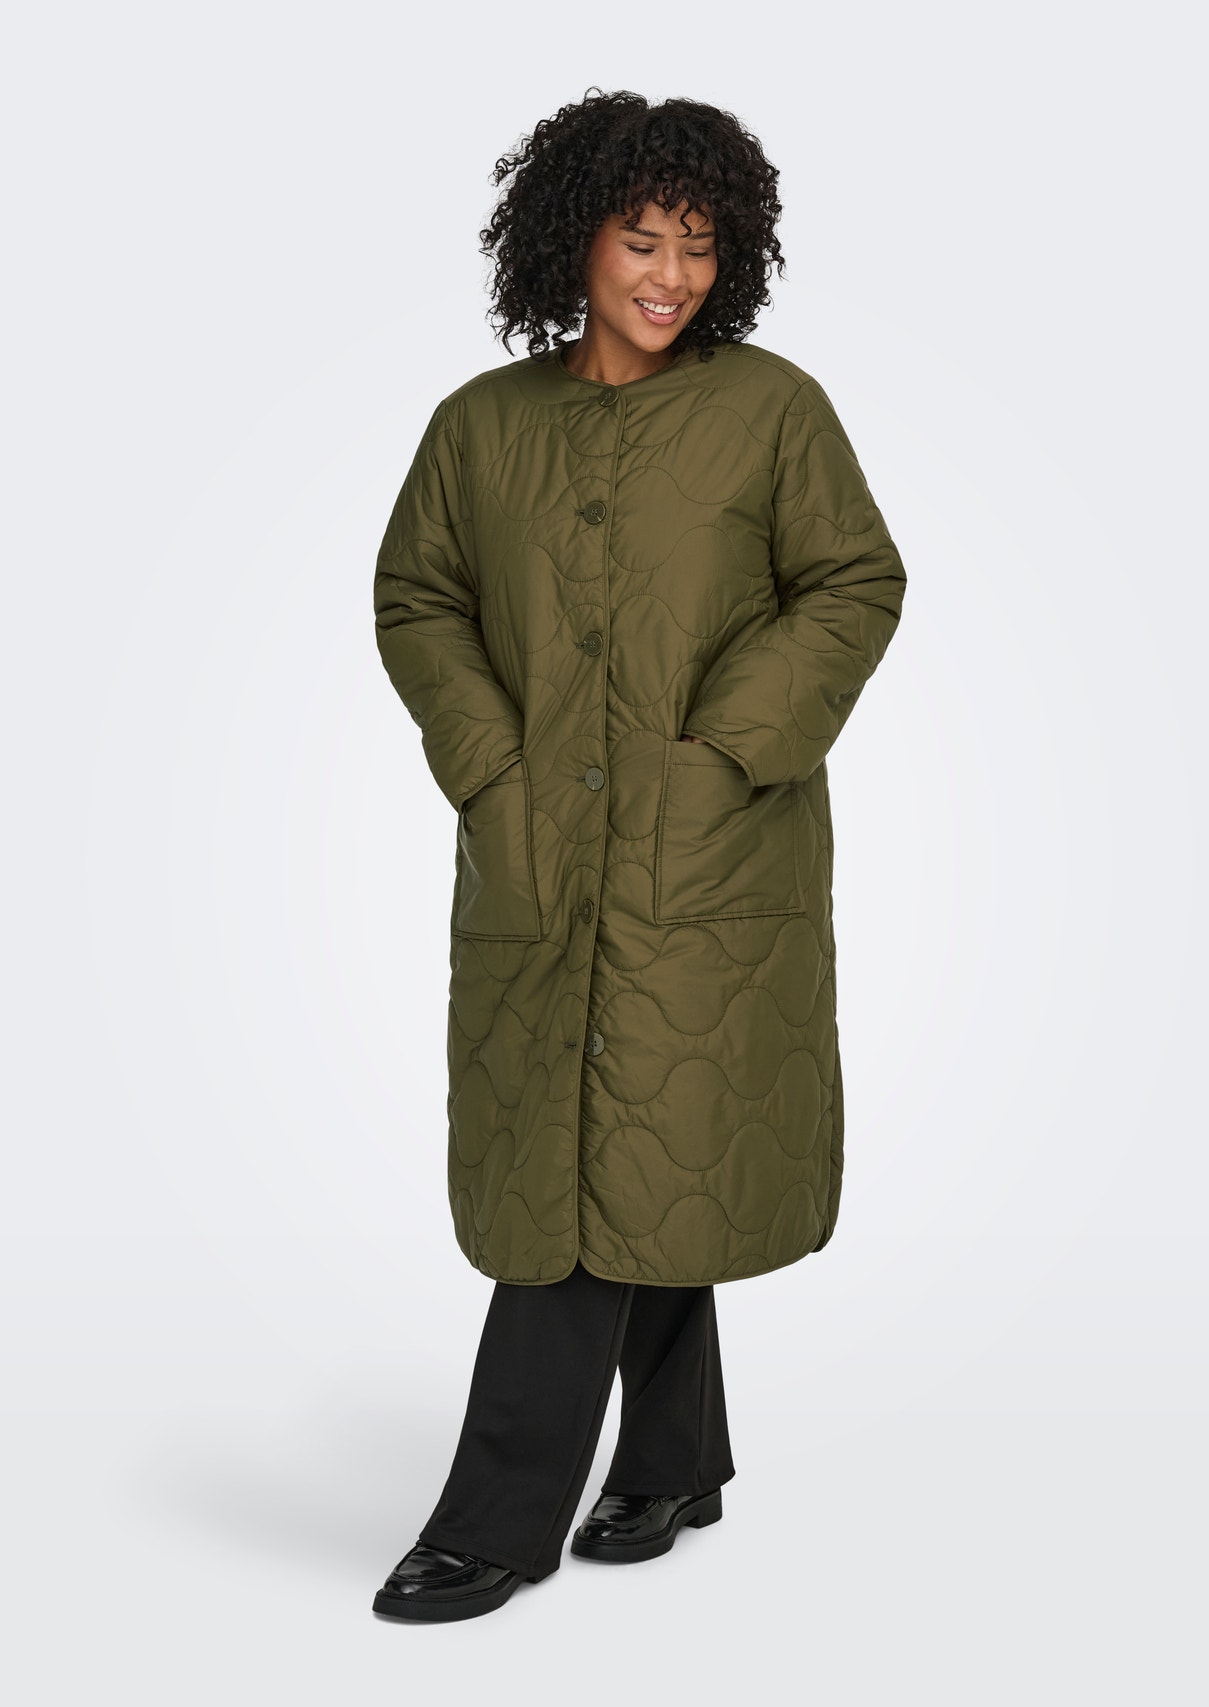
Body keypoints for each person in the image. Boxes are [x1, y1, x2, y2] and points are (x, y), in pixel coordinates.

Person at [369, 88, 908, 1623]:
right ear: (573, 240)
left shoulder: (771, 411)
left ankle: (493, 1521)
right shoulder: (481, 428)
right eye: (640, 238)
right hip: (540, 859)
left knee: (609, 1171)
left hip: (710, 870)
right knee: (611, 1163)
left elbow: (854, 581)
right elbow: (419, 597)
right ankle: (673, 1461)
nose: (671, 274)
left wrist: (727, 748)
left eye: (700, 245)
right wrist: (492, 764)